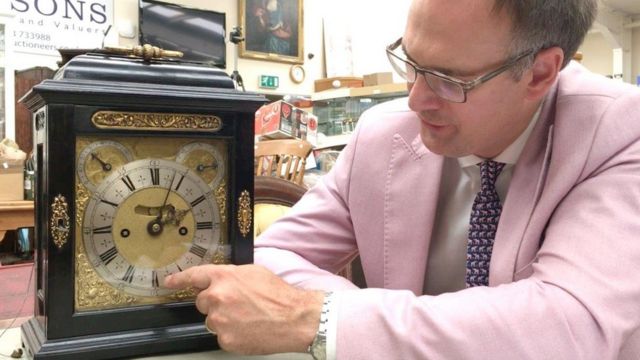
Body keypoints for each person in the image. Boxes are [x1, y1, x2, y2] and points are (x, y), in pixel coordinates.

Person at [165, 0, 640, 358]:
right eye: (411, 62)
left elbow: (571, 326)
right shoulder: (383, 133)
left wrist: (321, 319)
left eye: (449, 78)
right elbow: (273, 253)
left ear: (540, 73)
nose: (415, 100)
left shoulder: (619, 135)